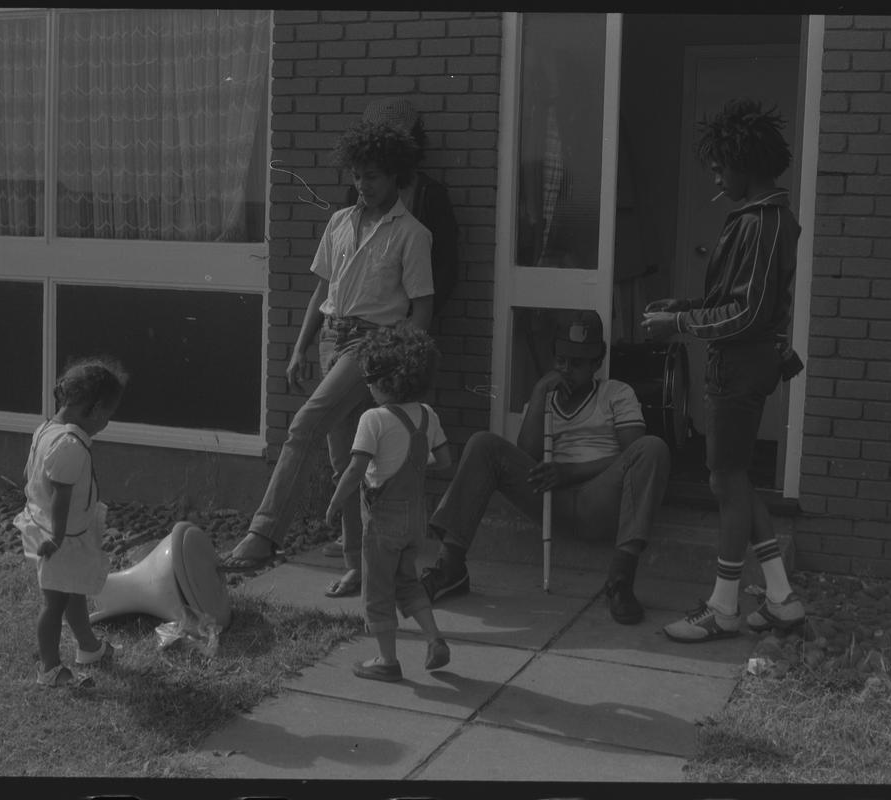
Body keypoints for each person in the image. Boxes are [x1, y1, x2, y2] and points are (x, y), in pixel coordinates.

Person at [219, 120, 435, 582]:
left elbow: (423, 308)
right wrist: (301, 347)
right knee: (347, 460)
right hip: (333, 342)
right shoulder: (339, 222)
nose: (363, 185)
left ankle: (263, 534)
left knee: (304, 425)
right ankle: (357, 564)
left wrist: (404, 362)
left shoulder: (412, 234)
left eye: (373, 176)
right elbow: (323, 292)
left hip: (374, 347)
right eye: (356, 176)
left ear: (395, 176)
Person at [641, 98, 806, 643]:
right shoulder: (764, 217)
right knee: (738, 479)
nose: (714, 174)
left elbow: (747, 311)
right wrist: (682, 305)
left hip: (739, 366)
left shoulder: (762, 222)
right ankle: (781, 599)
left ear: (746, 164)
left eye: (719, 165)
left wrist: (680, 324)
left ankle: (724, 606)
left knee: (724, 480)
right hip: (744, 363)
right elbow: (734, 296)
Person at [420, 310, 672, 625]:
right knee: (483, 443)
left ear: (596, 363)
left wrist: (569, 472)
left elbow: (633, 454)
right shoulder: (543, 398)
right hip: (551, 500)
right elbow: (524, 457)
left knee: (653, 448)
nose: (567, 370)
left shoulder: (617, 393)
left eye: (577, 363)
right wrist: (539, 393)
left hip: (601, 499)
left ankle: (620, 581)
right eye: (561, 361)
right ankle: (450, 566)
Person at [322, 95, 459, 562]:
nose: (364, 181)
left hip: (402, 339)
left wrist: (410, 342)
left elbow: (443, 275)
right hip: (353, 338)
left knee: (400, 444)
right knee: (352, 442)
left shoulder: (430, 197)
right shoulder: (357, 201)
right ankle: (354, 537)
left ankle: (401, 534)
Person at [325, 323, 453, 681]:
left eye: (370, 378)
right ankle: (434, 638)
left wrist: (335, 504)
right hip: (416, 520)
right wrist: (413, 462)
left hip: (383, 523)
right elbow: (443, 461)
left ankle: (386, 660)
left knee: (377, 590)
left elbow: (354, 470)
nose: (367, 386)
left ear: (386, 381)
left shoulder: (373, 419)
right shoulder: (428, 415)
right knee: (407, 582)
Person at [13, 356, 129, 688]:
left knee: (73, 590)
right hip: (61, 538)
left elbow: (29, 474)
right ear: (93, 409)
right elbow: (61, 496)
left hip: (52, 531)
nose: (106, 423)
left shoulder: (46, 430)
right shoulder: (71, 446)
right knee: (55, 603)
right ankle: (49, 669)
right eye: (107, 416)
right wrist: (58, 537)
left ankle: (89, 647)